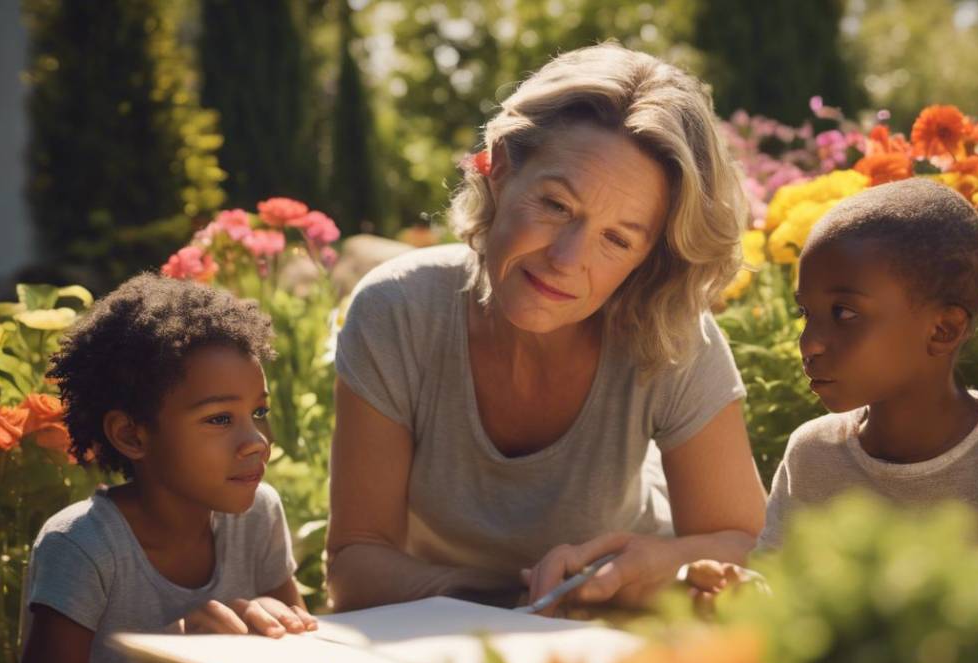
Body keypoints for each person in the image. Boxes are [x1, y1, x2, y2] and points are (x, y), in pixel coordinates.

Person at [326, 43, 766, 616]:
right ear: (503, 167)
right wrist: (506, 600)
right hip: (445, 630)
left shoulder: (674, 337)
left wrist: (658, 567)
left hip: (617, 627)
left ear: (647, 256)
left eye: (617, 239)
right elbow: (356, 564)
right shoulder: (399, 311)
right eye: (557, 205)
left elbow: (747, 544)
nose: (566, 258)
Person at [18, 274, 316, 663]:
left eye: (259, 414)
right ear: (131, 435)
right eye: (220, 419)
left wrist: (278, 625)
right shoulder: (81, 547)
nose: (256, 442)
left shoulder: (258, 514)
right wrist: (170, 657)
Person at [759, 178, 978, 549]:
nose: (809, 343)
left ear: (943, 329)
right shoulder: (812, 455)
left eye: (843, 312)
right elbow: (774, 593)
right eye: (806, 312)